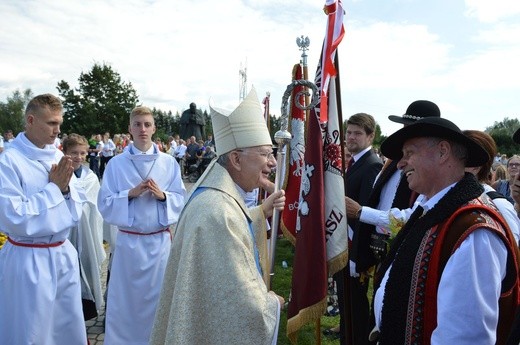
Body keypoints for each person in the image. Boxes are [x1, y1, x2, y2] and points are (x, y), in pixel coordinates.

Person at [150, 88, 286, 345]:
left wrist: (258, 214)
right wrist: (272, 306)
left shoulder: (216, 196)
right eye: (266, 154)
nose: (273, 163)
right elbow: (243, 306)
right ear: (235, 159)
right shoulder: (218, 212)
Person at [372, 117, 519, 344]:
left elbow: (465, 337)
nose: (401, 163)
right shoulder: (434, 210)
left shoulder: (473, 231)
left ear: (442, 152)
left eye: (409, 152)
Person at [0, 94, 87, 344]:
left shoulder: (57, 156)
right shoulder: (9, 162)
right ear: (30, 120)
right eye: (51, 123)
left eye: (59, 123)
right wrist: (54, 190)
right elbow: (12, 216)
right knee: (32, 332)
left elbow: (75, 209)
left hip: (62, 254)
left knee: (65, 329)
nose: (57, 130)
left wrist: (67, 190)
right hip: (28, 259)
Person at [97, 106, 186, 345]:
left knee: (159, 300)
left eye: (147, 124)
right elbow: (104, 204)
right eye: (137, 124)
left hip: (159, 245)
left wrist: (163, 196)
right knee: (126, 304)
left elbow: (181, 198)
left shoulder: (169, 163)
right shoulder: (116, 164)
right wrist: (129, 193)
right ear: (129, 129)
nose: (142, 129)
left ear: (154, 128)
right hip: (128, 245)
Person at [332, 113, 383, 344]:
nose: (351, 137)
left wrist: (356, 258)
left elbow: (364, 211)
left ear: (371, 136)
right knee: (346, 307)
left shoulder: (371, 165)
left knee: (355, 311)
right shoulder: (354, 162)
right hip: (342, 242)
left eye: (357, 133)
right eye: (349, 132)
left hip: (354, 250)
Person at [62, 133, 107, 320]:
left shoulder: (91, 178)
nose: (78, 157)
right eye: (74, 153)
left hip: (87, 230)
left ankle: (87, 309)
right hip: (67, 231)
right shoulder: (58, 173)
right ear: (65, 152)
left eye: (82, 153)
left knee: (86, 266)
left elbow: (96, 207)